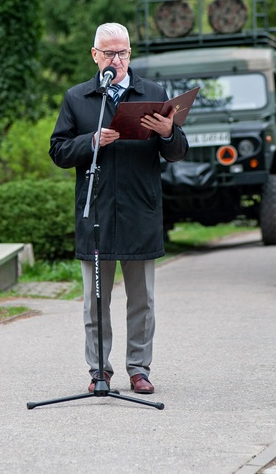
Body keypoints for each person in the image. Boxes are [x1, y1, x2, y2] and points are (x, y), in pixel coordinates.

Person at [49, 22, 189, 394]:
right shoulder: (78, 98)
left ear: (131, 53)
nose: (117, 59)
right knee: (96, 302)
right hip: (95, 213)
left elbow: (177, 152)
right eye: (109, 53)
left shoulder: (154, 93)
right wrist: (91, 140)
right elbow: (58, 151)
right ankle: (99, 370)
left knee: (142, 300)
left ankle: (139, 368)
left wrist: (167, 132)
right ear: (95, 56)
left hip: (140, 211)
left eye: (123, 52)